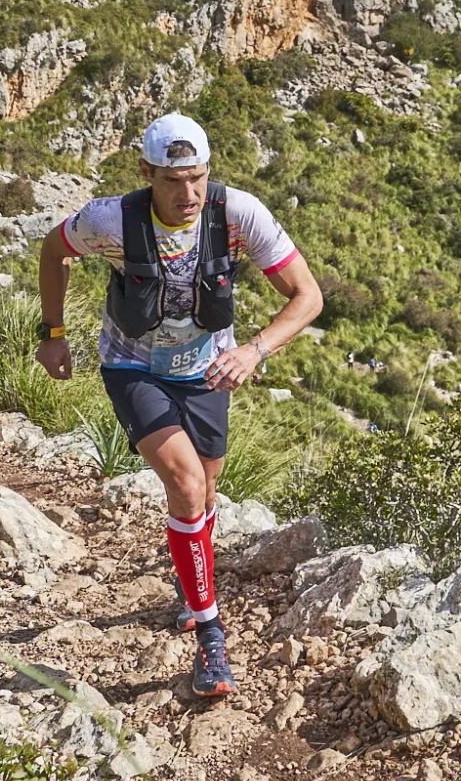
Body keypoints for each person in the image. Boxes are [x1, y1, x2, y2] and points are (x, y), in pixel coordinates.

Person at [34, 113, 323, 698]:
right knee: (188, 485)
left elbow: (307, 295)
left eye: (197, 178)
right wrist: (53, 332)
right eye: (172, 180)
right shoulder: (109, 219)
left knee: (207, 491)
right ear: (146, 173)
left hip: (208, 370)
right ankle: (210, 638)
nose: (187, 194)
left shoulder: (237, 214)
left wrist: (255, 350)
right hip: (132, 366)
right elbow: (53, 250)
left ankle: (193, 589)